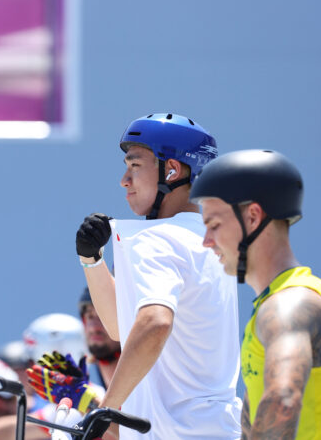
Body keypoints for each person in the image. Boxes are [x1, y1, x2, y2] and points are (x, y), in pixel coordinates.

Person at [75, 113, 242, 439]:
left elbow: (154, 324)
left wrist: (106, 411)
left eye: (135, 165)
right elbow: (122, 327)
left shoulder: (157, 238)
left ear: (172, 170)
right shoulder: (213, 243)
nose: (124, 179)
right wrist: (92, 261)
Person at [189, 149, 321, 439]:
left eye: (214, 225)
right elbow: (254, 423)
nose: (206, 241)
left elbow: (282, 400)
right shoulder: (274, 305)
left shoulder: (289, 305)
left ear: (254, 216)